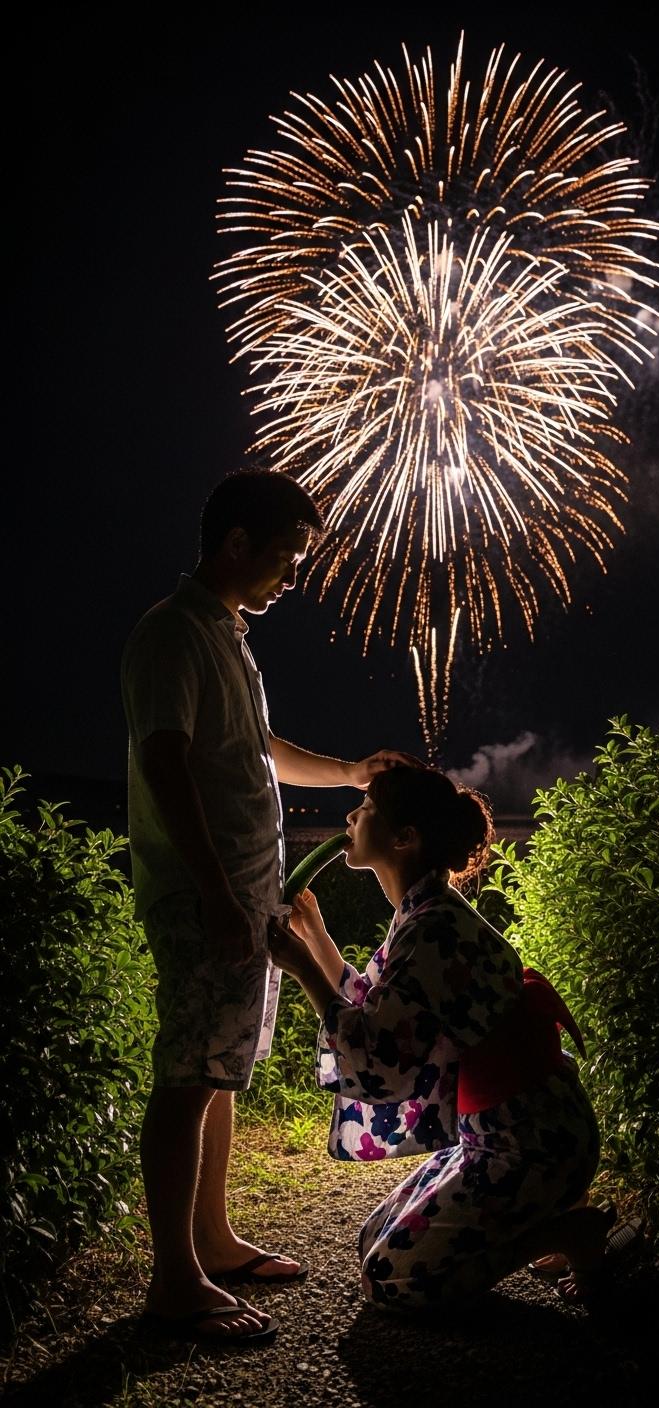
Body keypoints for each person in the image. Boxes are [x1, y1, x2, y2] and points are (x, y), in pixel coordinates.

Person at [121, 469, 415, 1345]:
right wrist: (214, 891)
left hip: (243, 895)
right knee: (187, 1075)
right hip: (203, 896)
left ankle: (211, 1241)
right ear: (237, 542)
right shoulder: (172, 634)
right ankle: (175, 1281)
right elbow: (166, 761)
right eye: (286, 554)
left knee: (219, 1069)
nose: (294, 574)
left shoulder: (226, 636)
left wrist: (350, 773)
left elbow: (260, 751)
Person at [269, 764, 616, 1312]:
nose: (351, 817)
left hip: (529, 1144)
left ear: (404, 838)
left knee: (392, 1281)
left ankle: (565, 1232)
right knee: (373, 1241)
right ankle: (553, 1214)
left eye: (367, 809)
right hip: (502, 1134)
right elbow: (372, 1003)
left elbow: (377, 1051)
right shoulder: (425, 914)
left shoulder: (431, 928)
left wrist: (302, 968)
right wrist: (314, 934)